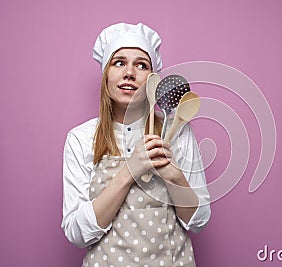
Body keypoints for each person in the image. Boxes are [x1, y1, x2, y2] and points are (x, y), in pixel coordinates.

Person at [61, 22, 211, 267]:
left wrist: (175, 177)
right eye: (118, 62)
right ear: (106, 74)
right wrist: (130, 170)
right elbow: (76, 234)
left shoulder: (178, 134)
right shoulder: (81, 138)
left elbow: (199, 221)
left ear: (152, 80)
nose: (129, 72)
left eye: (141, 65)